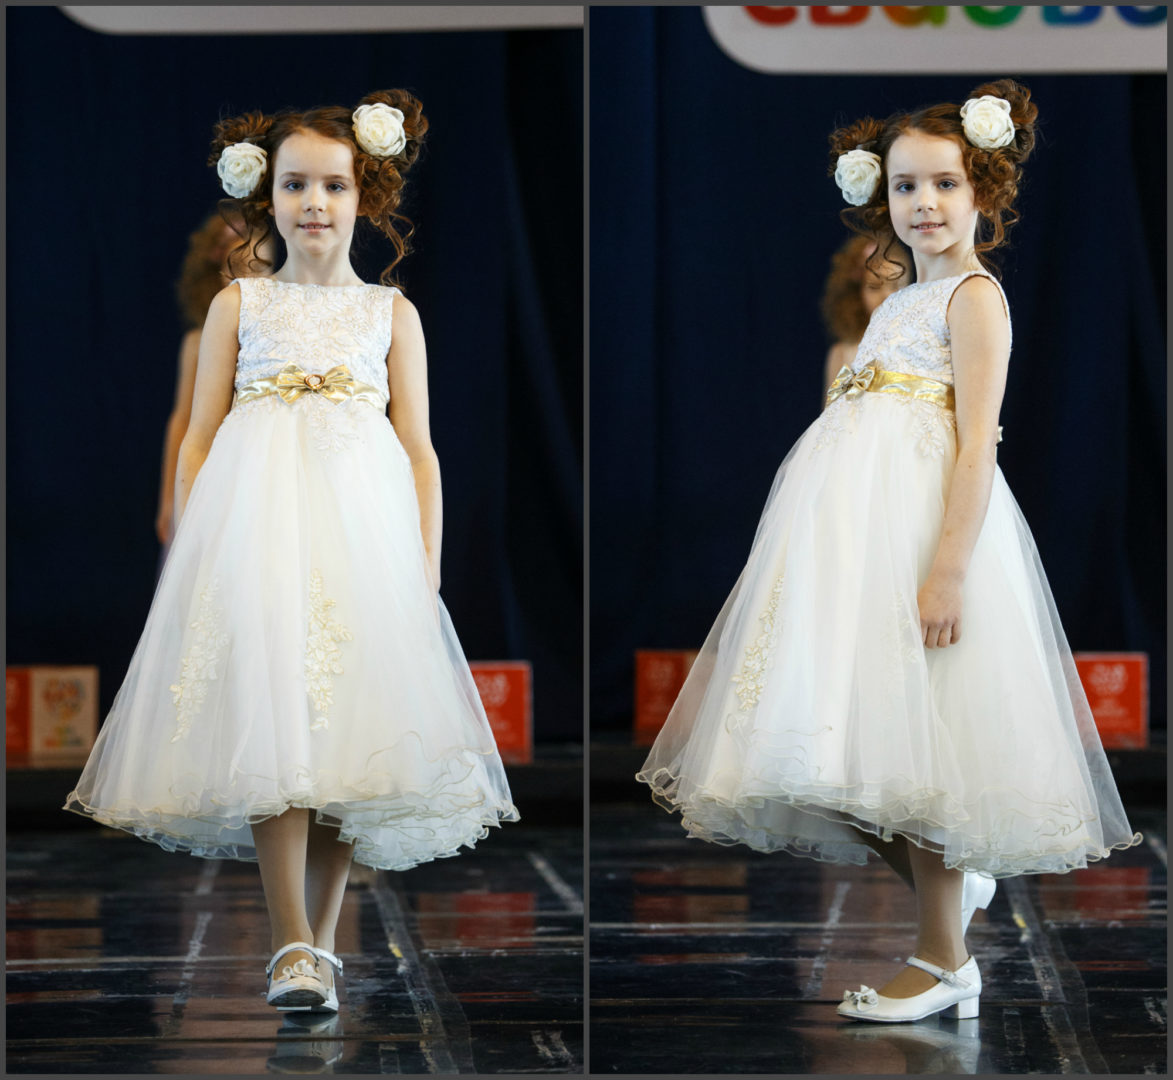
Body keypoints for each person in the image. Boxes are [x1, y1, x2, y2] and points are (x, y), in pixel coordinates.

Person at [637, 79, 1140, 1024]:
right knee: (832, 763)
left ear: (982, 190)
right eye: (906, 186)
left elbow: (975, 444)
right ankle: (956, 901)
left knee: (917, 758)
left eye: (945, 183)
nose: (925, 203)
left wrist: (946, 570)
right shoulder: (898, 302)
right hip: (850, 550)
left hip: (918, 545)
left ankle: (945, 959)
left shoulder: (974, 299)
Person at [65, 89, 519, 1013]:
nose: (315, 202)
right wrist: (199, 543)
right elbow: (199, 435)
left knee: (350, 730)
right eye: (295, 184)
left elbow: (420, 448)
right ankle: (288, 944)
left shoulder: (390, 314)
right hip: (261, 533)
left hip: (363, 538)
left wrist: (425, 560)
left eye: (334, 185)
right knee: (276, 722)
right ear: (265, 197)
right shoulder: (240, 304)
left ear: (365, 196)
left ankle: (322, 939)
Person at [157, 211, 274, 554]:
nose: (250, 281)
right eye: (238, 269)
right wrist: (169, 497)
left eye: (261, 268)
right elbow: (182, 421)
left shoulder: (280, 340)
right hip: (219, 476)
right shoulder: (199, 341)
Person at [820, 233, 909, 395]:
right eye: (874, 287)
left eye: (896, 286)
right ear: (857, 293)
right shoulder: (843, 353)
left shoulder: (917, 346)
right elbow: (833, 408)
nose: (887, 296)